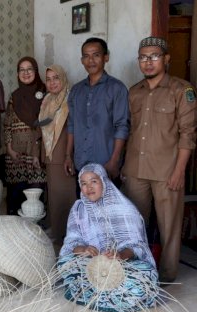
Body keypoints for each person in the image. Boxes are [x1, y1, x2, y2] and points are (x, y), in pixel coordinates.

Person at [122, 37, 196, 283]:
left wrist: (179, 171)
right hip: (135, 170)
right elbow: (131, 131)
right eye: (143, 57)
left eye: (154, 56)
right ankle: (137, 272)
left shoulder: (181, 90)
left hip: (167, 171)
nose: (148, 61)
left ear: (166, 59)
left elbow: (188, 135)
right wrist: (125, 166)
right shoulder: (134, 92)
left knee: (169, 227)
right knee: (134, 225)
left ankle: (166, 275)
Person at [58, 163, 158, 312]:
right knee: (65, 264)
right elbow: (71, 242)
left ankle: (95, 293)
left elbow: (138, 246)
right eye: (83, 183)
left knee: (147, 275)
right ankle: (114, 296)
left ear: (104, 182)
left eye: (94, 181)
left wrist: (120, 255)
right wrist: (83, 250)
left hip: (123, 267)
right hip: (91, 265)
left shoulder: (125, 209)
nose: (88, 187)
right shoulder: (78, 209)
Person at [64, 37, 129, 183]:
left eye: (96, 55)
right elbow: (71, 125)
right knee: (84, 204)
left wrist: (114, 161)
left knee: (108, 205)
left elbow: (122, 126)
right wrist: (68, 156)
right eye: (86, 56)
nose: (91, 60)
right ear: (81, 60)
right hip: (81, 163)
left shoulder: (117, 88)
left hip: (106, 164)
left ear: (106, 57)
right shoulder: (76, 91)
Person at [38, 65, 77, 246]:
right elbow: (42, 128)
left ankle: (71, 236)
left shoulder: (70, 99)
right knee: (54, 196)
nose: (52, 82)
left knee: (66, 195)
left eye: (56, 78)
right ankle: (58, 233)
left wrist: (68, 155)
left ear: (63, 78)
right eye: (48, 79)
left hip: (65, 153)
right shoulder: (46, 101)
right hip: (50, 154)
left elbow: (73, 130)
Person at [3, 56, 46, 214]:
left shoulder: (45, 95)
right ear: (17, 74)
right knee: (16, 197)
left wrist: (38, 152)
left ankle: (35, 232)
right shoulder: (14, 96)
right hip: (16, 156)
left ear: (36, 71)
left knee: (35, 200)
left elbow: (46, 126)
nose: (26, 73)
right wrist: (9, 149)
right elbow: (7, 124)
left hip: (36, 153)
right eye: (22, 70)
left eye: (29, 69)